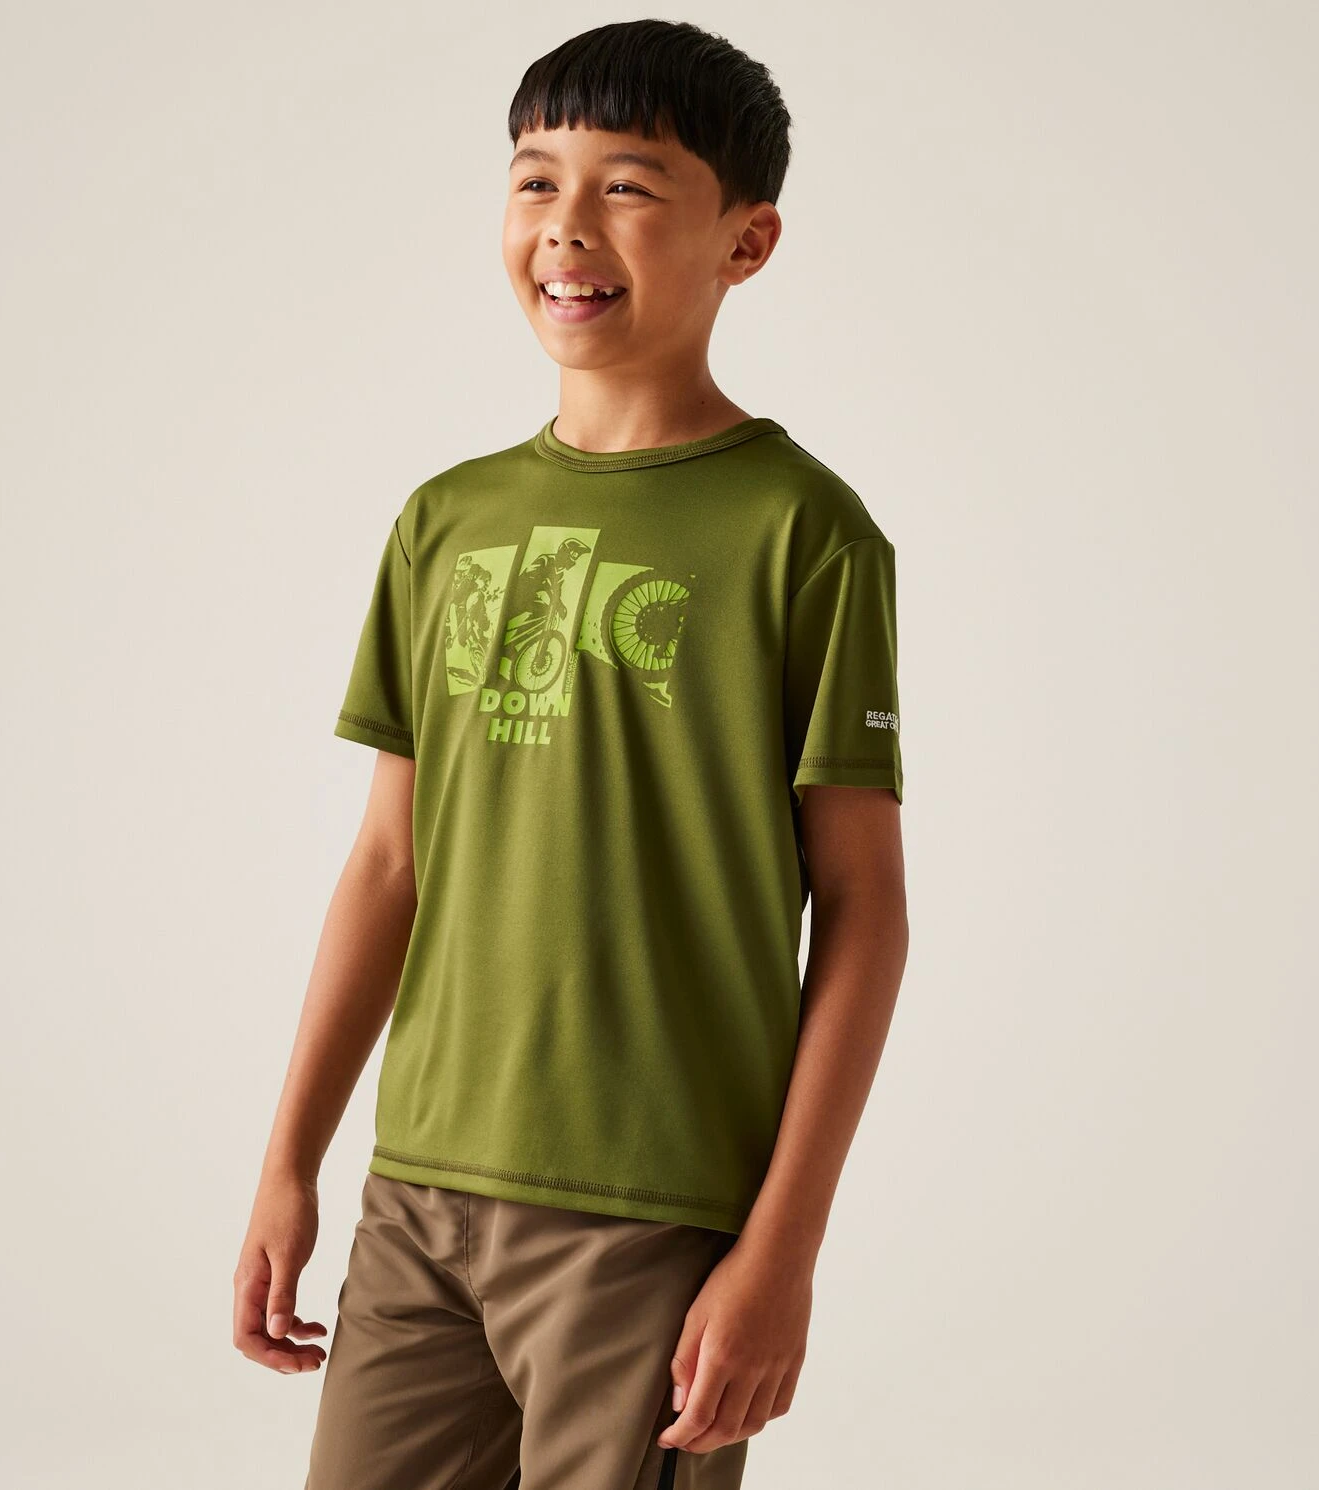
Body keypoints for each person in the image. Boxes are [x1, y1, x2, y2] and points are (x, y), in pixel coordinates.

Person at [232, 19, 909, 1489]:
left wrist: (780, 1250)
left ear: (747, 241)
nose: (567, 226)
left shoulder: (803, 533)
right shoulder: (443, 520)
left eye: (629, 187)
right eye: (536, 180)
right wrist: (292, 1158)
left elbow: (863, 910)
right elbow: (388, 862)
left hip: (648, 1209)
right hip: (419, 1193)